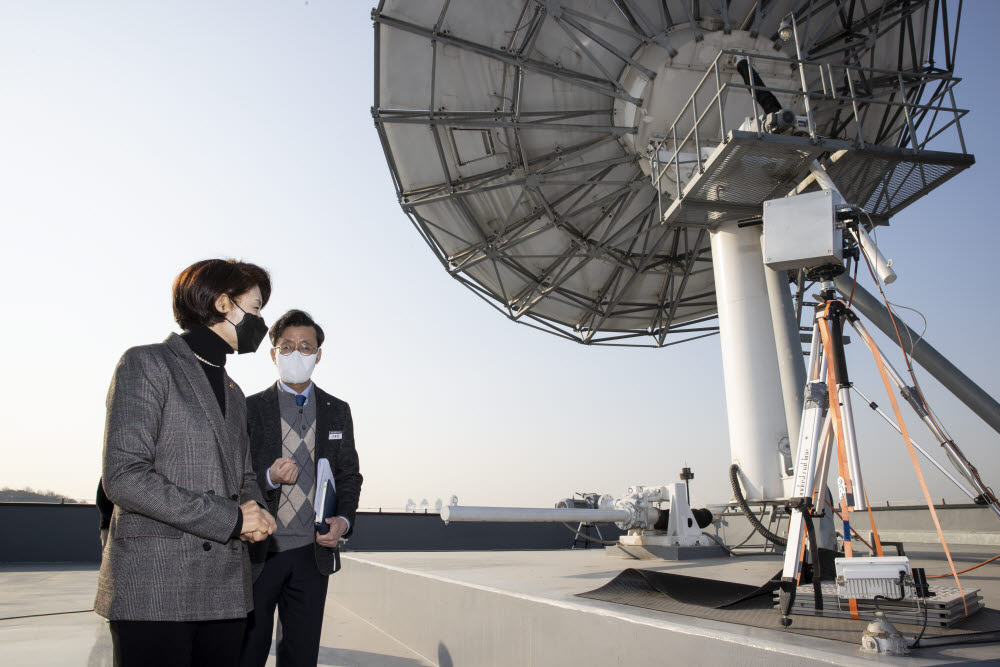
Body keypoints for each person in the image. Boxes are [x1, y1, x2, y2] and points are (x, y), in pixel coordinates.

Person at [95, 258, 279, 667]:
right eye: (255, 306)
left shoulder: (233, 391)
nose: (261, 321)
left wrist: (257, 513)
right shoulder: (146, 363)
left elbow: (244, 475)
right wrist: (231, 518)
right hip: (157, 586)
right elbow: (125, 477)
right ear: (222, 303)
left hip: (226, 591)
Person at [240, 309, 363, 667]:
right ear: (273, 354)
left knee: (301, 654)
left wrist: (343, 520)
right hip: (260, 552)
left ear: (319, 355)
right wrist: (268, 478)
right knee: (248, 650)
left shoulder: (337, 410)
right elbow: (234, 474)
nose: (297, 354)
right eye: (288, 346)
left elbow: (349, 474)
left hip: (312, 553)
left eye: (306, 347)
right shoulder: (248, 408)